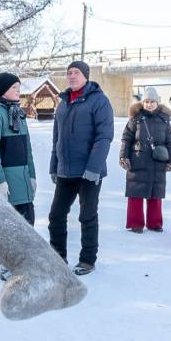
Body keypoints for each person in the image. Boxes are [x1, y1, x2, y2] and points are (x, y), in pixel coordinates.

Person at [48, 60, 114, 276]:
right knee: (56, 215)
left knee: (87, 216)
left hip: (88, 171)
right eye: (69, 73)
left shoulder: (99, 101)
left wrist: (94, 168)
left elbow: (104, 137)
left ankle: (87, 260)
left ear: (86, 75)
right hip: (66, 170)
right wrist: (54, 166)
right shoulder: (64, 102)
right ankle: (57, 257)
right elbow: (56, 138)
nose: (71, 76)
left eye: (76, 72)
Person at [0, 71, 37, 280]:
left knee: (27, 222)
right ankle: (6, 266)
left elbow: (27, 148)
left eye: (19, 87)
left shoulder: (18, 112)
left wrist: (32, 175)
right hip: (7, 179)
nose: (18, 91)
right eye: (15, 88)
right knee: (9, 226)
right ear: (4, 90)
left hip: (23, 179)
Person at [120, 86, 171, 233]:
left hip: (158, 161)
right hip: (138, 160)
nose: (149, 104)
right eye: (146, 101)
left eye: (152, 101)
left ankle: (155, 223)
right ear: (142, 103)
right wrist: (123, 156)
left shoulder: (164, 120)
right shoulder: (136, 119)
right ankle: (135, 224)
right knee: (136, 194)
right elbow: (126, 139)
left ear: (157, 102)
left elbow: (170, 142)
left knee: (155, 194)